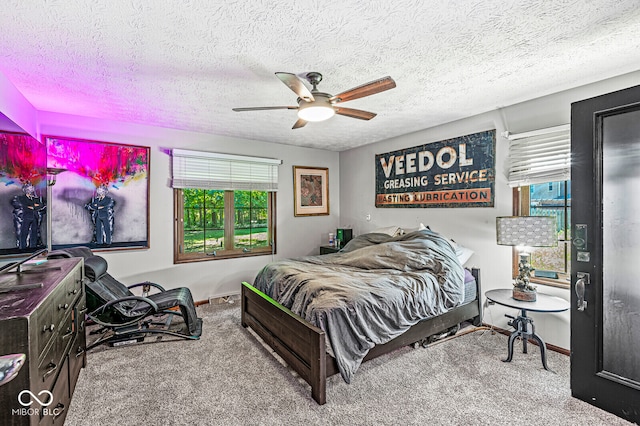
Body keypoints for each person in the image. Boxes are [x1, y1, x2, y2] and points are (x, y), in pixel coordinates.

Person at [11, 183, 46, 249]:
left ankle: (33, 246)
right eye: (29, 189)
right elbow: (26, 206)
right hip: (27, 217)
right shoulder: (22, 198)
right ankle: (22, 247)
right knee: (24, 232)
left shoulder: (34, 198)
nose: (31, 190)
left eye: (31, 188)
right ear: (26, 189)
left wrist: (34, 206)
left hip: (34, 217)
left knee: (34, 232)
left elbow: (40, 205)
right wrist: (35, 206)